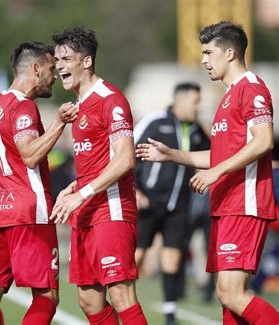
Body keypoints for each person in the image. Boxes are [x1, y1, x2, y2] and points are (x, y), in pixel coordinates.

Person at [136, 21, 278, 324]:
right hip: (226, 205)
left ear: (229, 53)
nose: (203, 60)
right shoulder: (227, 96)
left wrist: (217, 172)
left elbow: (264, 140)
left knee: (231, 293)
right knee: (226, 296)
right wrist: (172, 155)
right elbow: (220, 154)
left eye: (208, 52)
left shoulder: (251, 88)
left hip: (245, 203)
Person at [0, 41, 77, 325]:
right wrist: (59, 123)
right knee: (46, 295)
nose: (54, 75)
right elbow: (29, 155)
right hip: (27, 213)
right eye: (51, 68)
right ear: (36, 69)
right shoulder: (23, 107)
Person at [50, 27, 148, 324]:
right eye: (57, 60)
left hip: (111, 210)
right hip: (86, 209)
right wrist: (74, 187)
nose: (59, 66)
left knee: (121, 295)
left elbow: (125, 159)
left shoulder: (111, 100)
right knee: (89, 301)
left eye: (66, 59)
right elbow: (95, 162)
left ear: (87, 61)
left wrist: (82, 193)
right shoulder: (79, 106)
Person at [134, 82, 210, 324]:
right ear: (181, 100)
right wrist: (134, 190)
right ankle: (117, 303)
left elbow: (212, 156)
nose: (199, 107)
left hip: (179, 206)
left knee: (173, 259)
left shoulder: (197, 129)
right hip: (148, 203)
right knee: (135, 257)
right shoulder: (156, 122)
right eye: (196, 101)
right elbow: (126, 153)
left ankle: (169, 313)